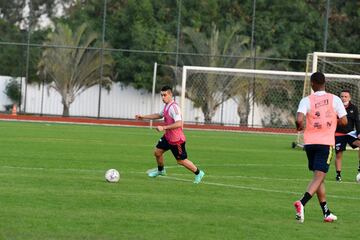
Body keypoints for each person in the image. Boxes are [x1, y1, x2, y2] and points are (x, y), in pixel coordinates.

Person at [294, 72, 347, 223]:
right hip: (325, 143)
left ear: (312, 84)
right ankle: (302, 202)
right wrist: (332, 118)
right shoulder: (335, 99)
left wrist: (299, 127)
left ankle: (326, 212)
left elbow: (299, 119)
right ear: (325, 83)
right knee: (319, 176)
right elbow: (344, 121)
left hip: (310, 144)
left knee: (319, 178)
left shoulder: (306, 100)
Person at [135, 85, 205, 184]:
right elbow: (159, 115)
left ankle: (198, 173)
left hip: (177, 140)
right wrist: (143, 116)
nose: (163, 97)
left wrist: (163, 127)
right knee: (157, 152)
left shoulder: (174, 108)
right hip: (168, 137)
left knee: (181, 161)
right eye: (161, 95)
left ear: (170, 94)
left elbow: (179, 123)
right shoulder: (166, 106)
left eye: (165, 95)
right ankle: (161, 171)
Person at [334, 90, 360, 182]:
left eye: (345, 96)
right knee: (339, 154)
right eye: (342, 96)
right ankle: (338, 175)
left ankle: (359, 167)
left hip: (350, 133)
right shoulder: (335, 108)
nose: (343, 98)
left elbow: (357, 121)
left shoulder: (354, 108)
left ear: (349, 98)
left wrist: (359, 133)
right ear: (339, 97)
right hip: (338, 134)